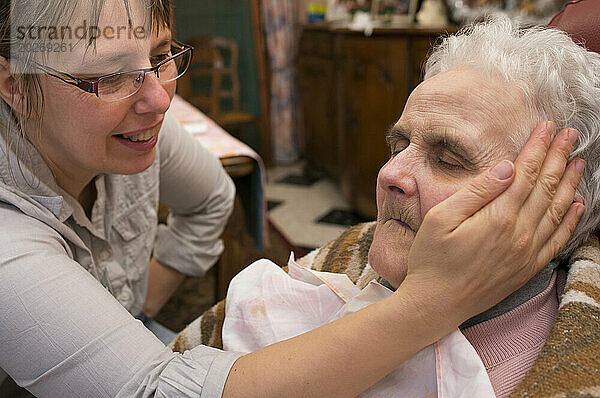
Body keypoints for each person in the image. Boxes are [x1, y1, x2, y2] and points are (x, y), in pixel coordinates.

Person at [0, 0, 585, 396]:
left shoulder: (133, 119)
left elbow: (209, 200)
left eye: (160, 58)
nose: (157, 99)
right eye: (110, 75)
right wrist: (431, 303)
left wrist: (133, 307)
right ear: (17, 88)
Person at [179, 17, 600, 398]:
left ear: (556, 202)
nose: (389, 174)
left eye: (448, 160)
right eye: (399, 146)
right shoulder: (349, 254)